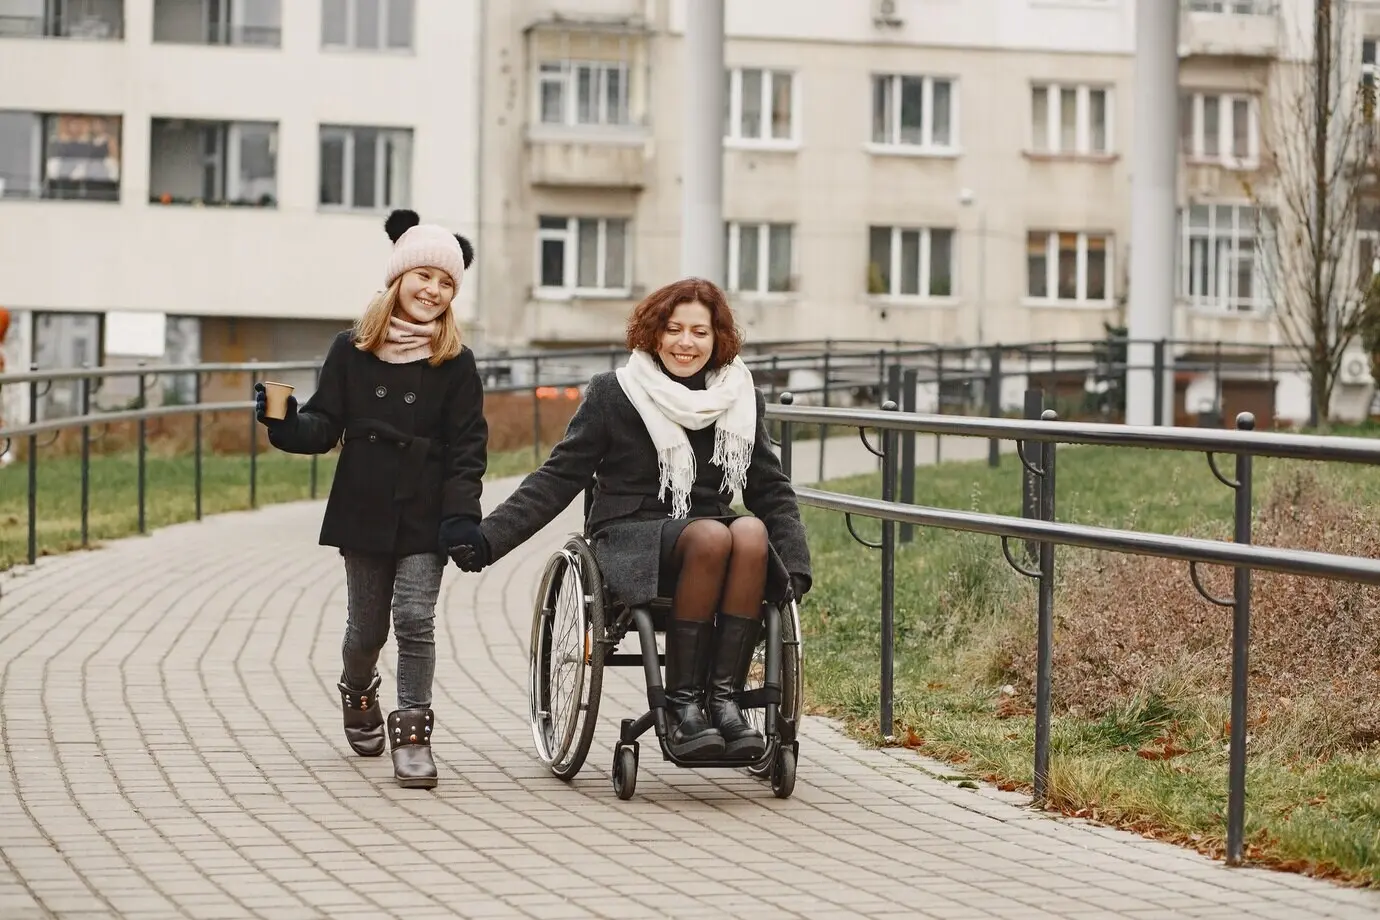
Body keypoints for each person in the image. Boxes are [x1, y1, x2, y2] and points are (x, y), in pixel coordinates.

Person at [445, 277, 811, 762]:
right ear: (654, 333)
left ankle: (723, 703)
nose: (685, 342)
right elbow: (559, 477)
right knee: (712, 535)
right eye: (674, 329)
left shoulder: (739, 397)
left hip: (714, 538)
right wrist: (489, 539)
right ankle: (683, 707)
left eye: (699, 332)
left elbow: (770, 489)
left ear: (717, 338)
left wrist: (795, 562)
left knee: (749, 530)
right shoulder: (614, 393)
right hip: (630, 537)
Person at [254, 209, 488, 790]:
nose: (433, 290)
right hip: (364, 505)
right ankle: (358, 692)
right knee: (366, 632)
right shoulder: (352, 348)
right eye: (424, 276)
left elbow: (468, 448)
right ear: (399, 277)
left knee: (414, 620)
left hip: (427, 509)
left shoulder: (457, 362)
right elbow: (323, 426)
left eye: (446, 282)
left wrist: (462, 516)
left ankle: (413, 735)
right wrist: (284, 422)